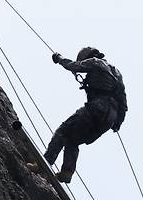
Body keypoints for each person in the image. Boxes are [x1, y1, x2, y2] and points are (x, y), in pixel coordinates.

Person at [27, 47, 127, 183]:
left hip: (97, 108)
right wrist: (118, 122)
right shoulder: (117, 74)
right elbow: (123, 100)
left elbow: (73, 66)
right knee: (73, 139)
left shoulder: (95, 61)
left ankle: (43, 163)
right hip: (109, 119)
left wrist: (60, 59)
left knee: (63, 131)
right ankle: (67, 172)